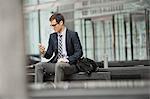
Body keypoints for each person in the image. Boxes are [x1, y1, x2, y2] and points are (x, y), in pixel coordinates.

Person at [35, 13, 83, 83]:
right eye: (52, 25)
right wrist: (43, 52)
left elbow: (79, 52)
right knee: (39, 66)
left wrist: (67, 60)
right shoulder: (52, 36)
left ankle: (56, 91)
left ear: (61, 23)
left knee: (59, 65)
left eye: (54, 25)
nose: (53, 27)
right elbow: (49, 54)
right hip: (56, 64)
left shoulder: (72, 35)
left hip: (70, 64)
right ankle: (38, 90)